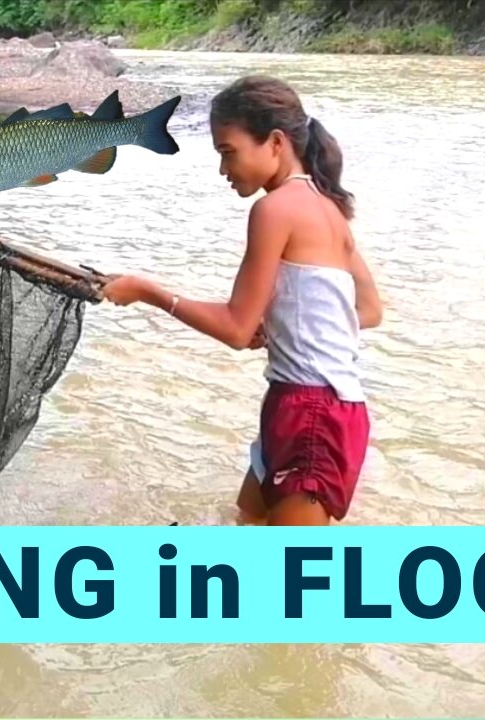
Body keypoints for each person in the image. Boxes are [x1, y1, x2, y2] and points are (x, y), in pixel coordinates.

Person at [101, 75, 383, 526]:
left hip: (311, 413)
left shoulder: (274, 210)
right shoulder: (328, 207)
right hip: (314, 404)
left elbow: (235, 328)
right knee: (246, 524)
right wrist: (282, 324)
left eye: (227, 152)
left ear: (274, 142)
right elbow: (368, 310)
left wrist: (149, 293)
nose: (223, 169)